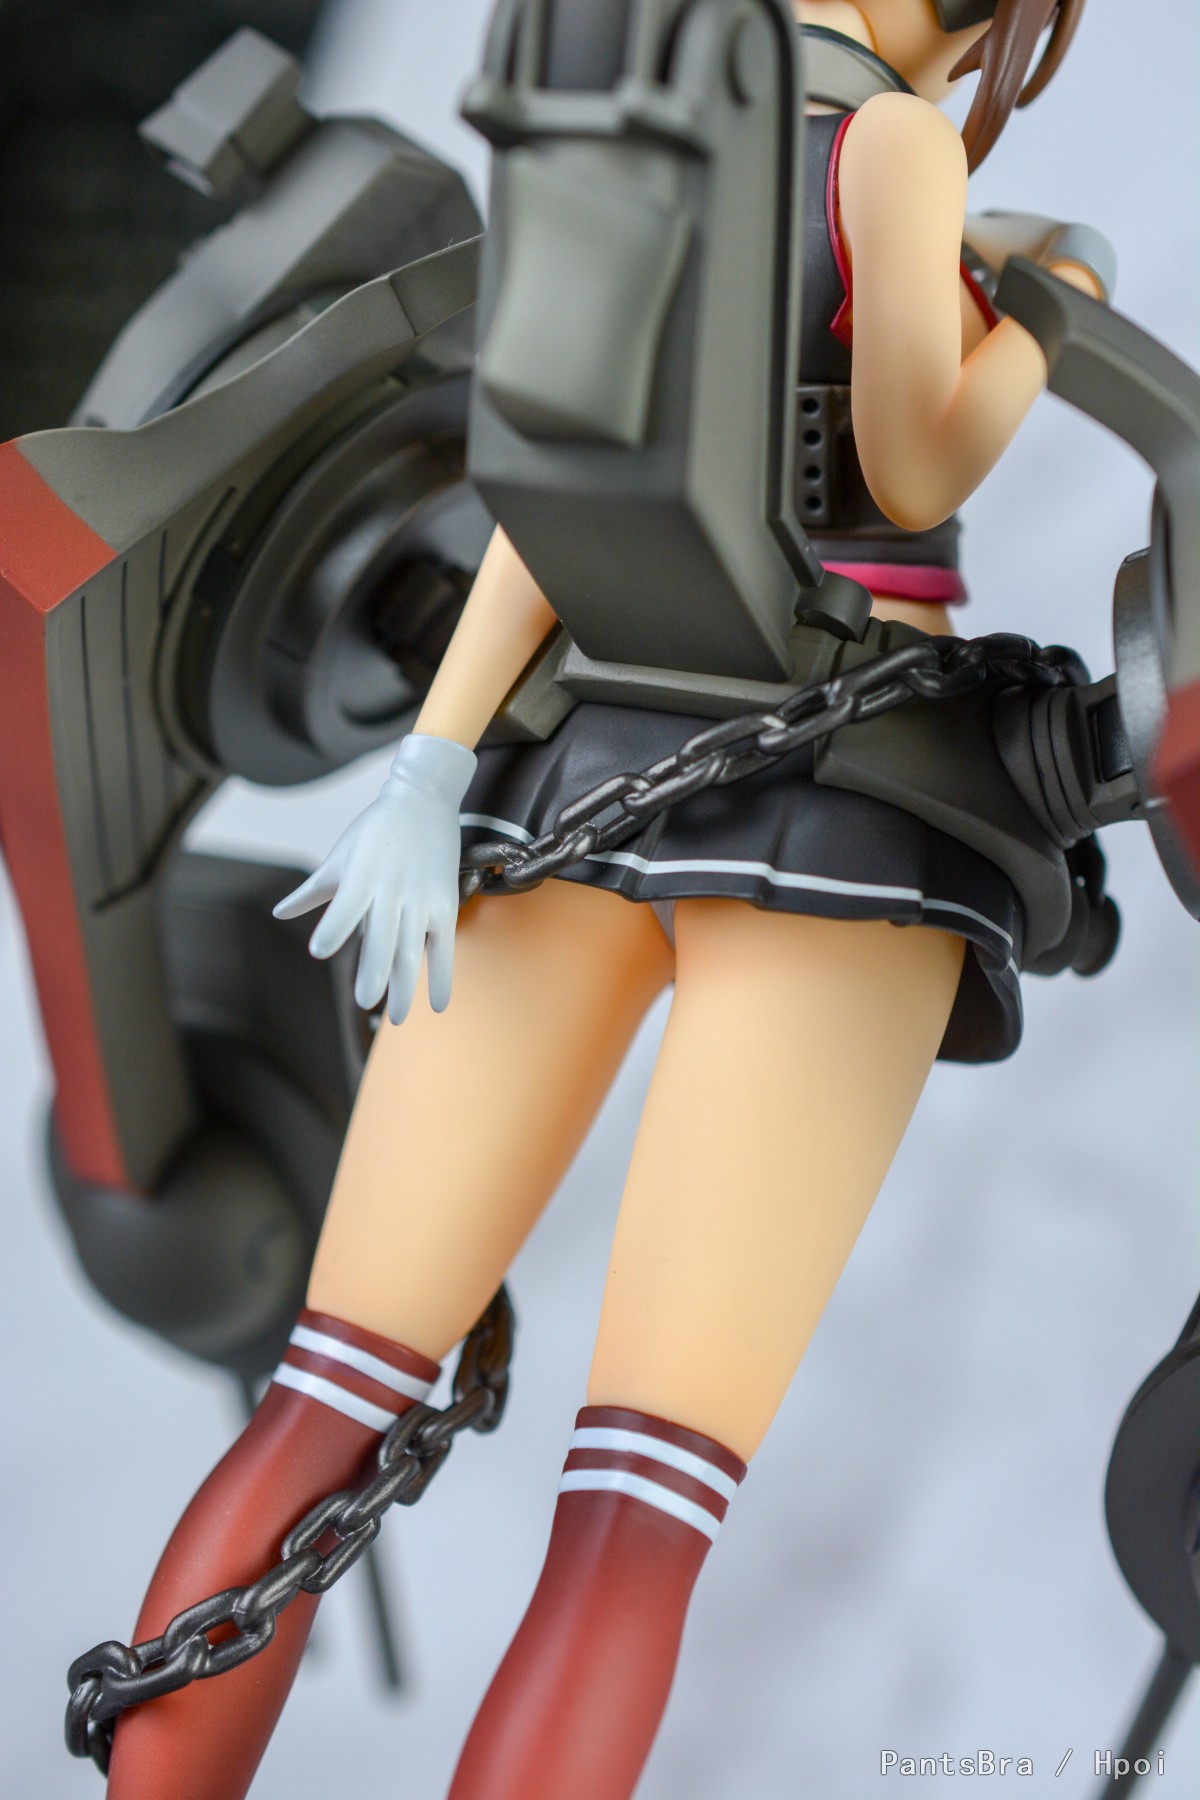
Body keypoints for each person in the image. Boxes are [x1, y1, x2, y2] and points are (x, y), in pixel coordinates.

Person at [105, 4, 1101, 1796]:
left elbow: (545, 490)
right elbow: (915, 465)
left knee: (325, 1397)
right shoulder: (893, 143)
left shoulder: (647, 127)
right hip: (853, 809)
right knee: (635, 1511)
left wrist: (430, 765)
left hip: (576, 757)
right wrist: (1042, 313)